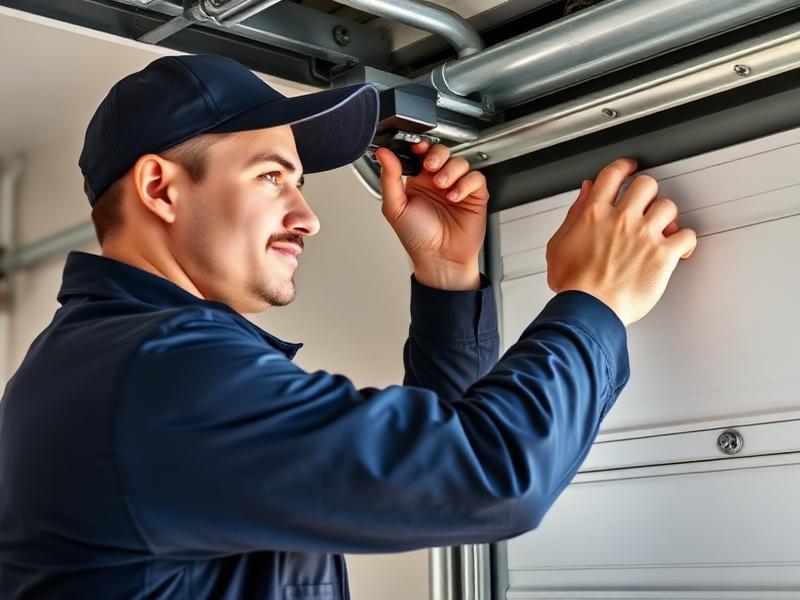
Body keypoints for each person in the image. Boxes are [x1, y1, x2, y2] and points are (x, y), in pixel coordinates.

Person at [0, 54, 696, 599]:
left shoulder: (116, 364)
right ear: (160, 188)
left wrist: (448, 277)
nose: (307, 217)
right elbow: (491, 478)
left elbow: (435, 492)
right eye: (273, 178)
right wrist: (594, 300)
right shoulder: (158, 372)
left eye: (299, 183)